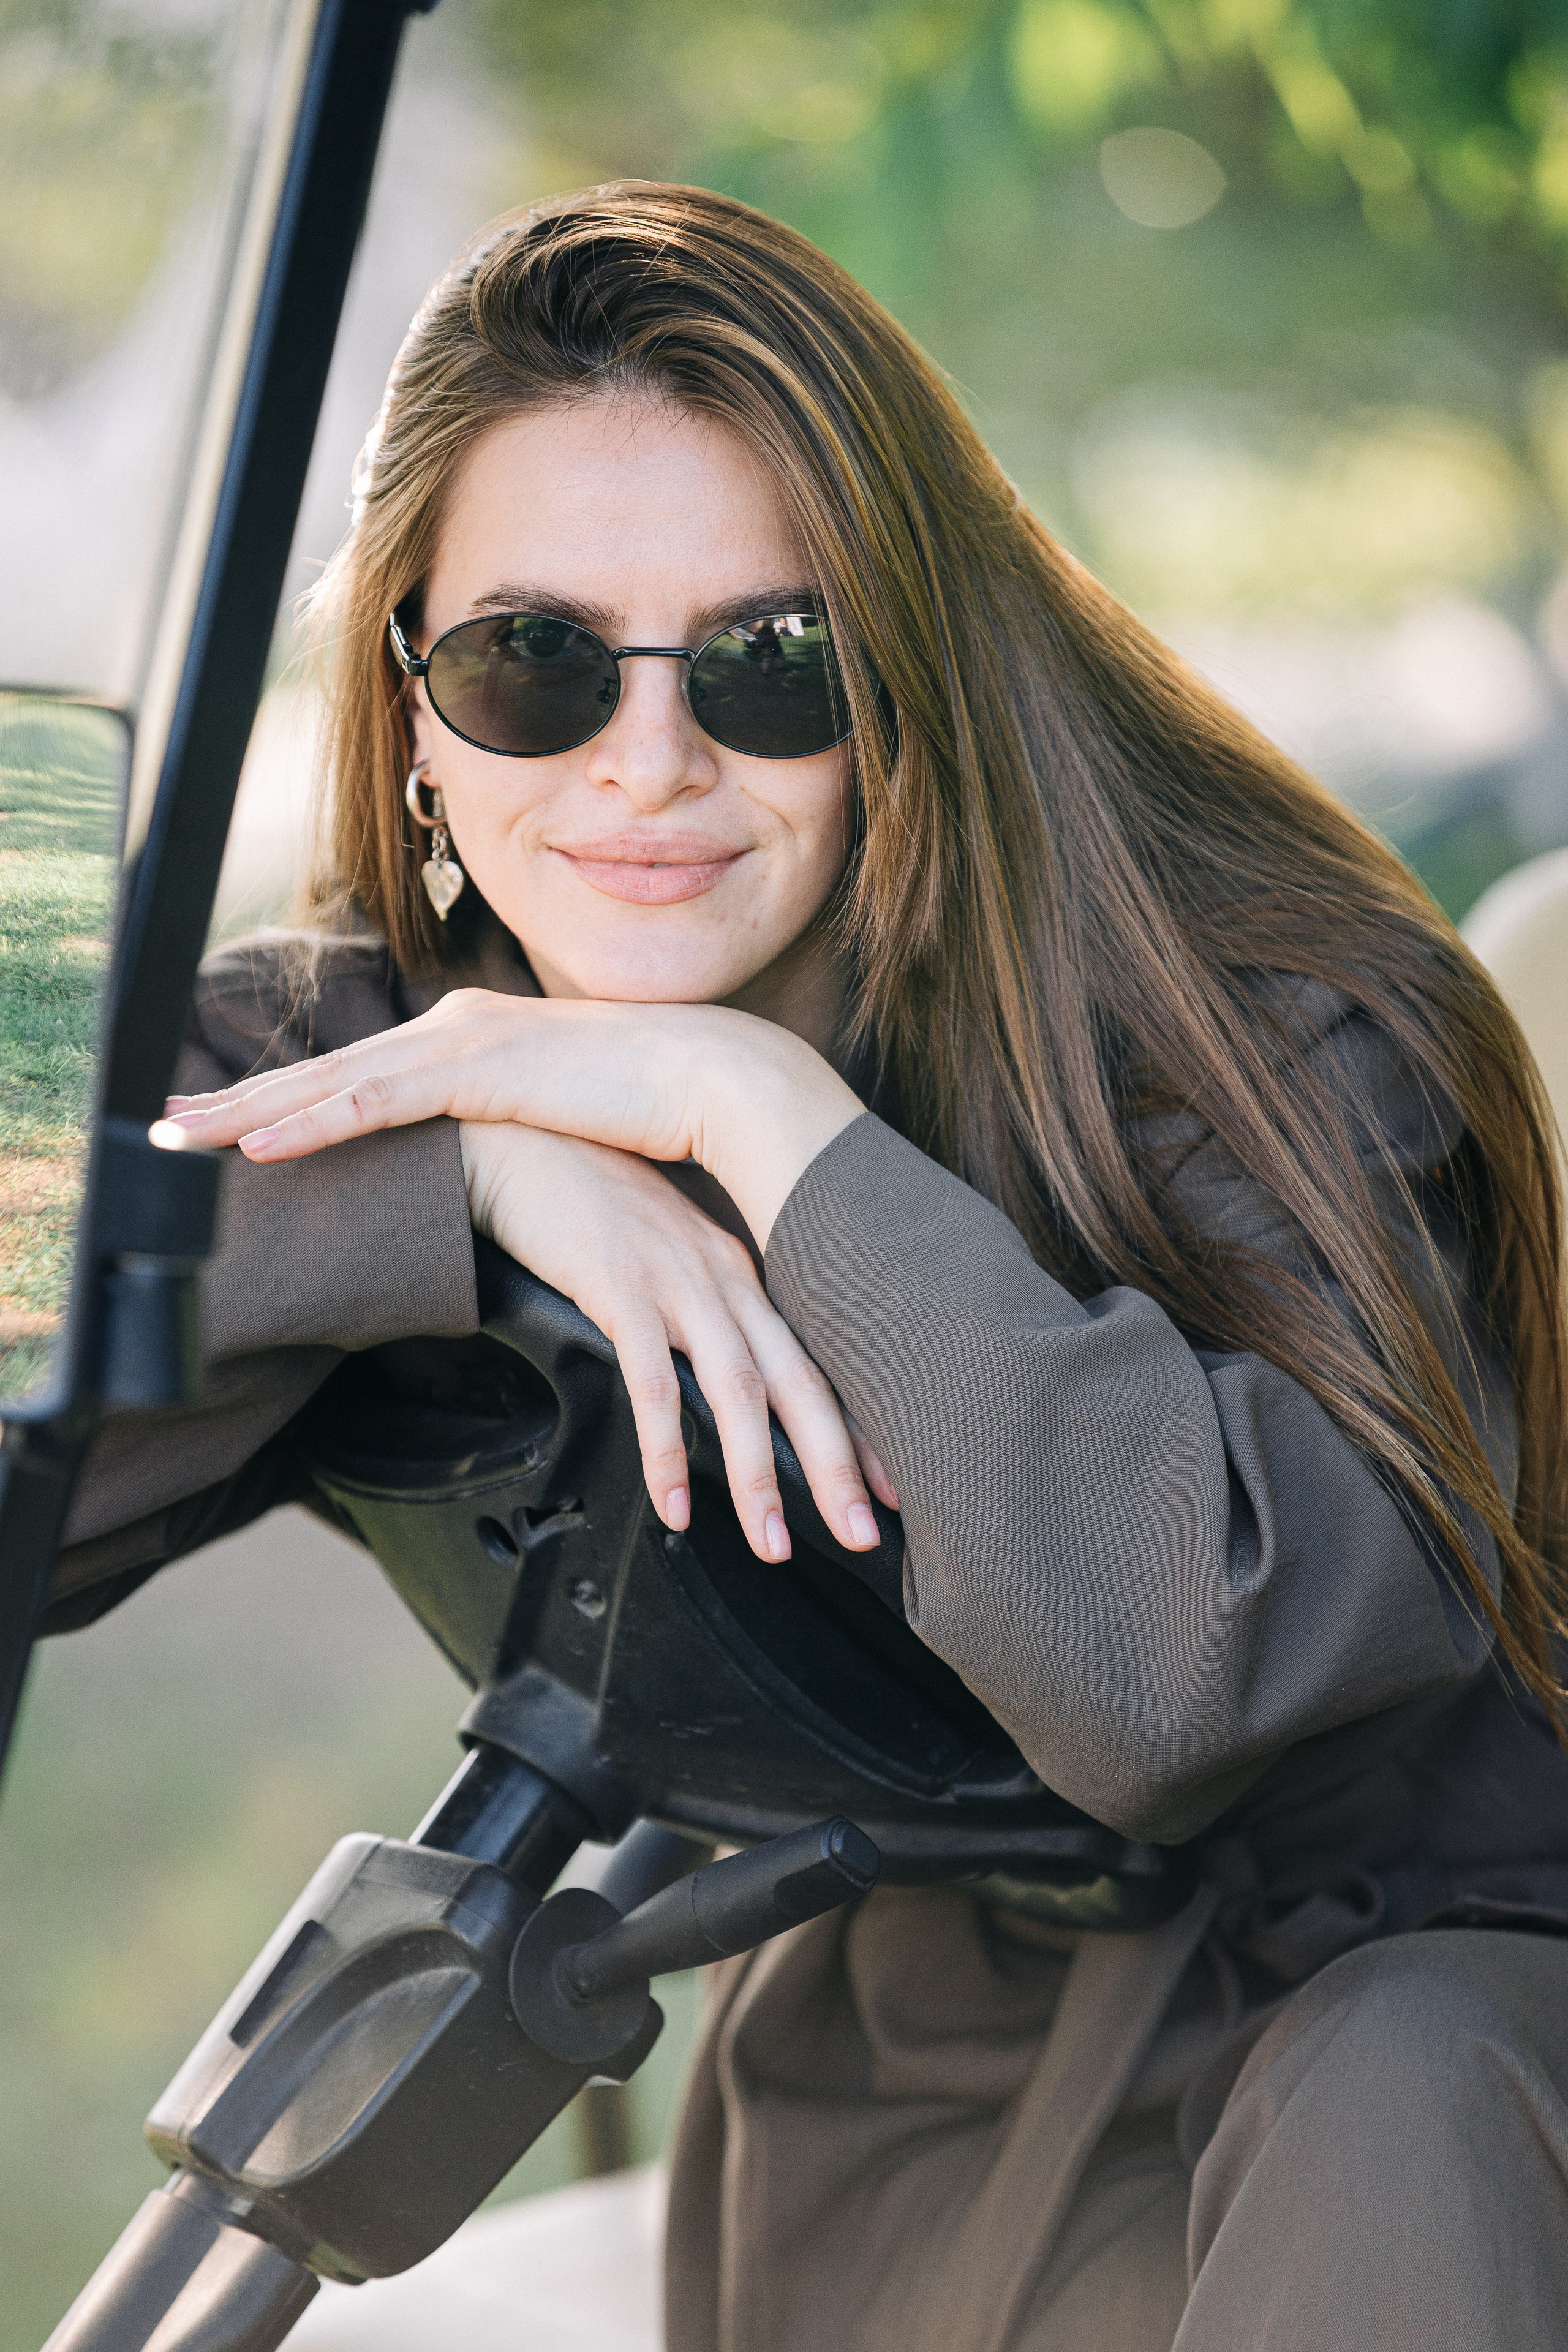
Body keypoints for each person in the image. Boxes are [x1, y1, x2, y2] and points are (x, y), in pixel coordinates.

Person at [52, 184, 1568, 2351]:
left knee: (1404, 2099)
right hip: (918, 2084)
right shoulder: (400, 1046)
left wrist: (763, 1123)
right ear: (410, 711)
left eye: (772, 666)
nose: (646, 763)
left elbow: (1187, 1680)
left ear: (905, 691)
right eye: (530, 662)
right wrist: (459, 1174)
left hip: (1439, 2041)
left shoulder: (1280, 1038)